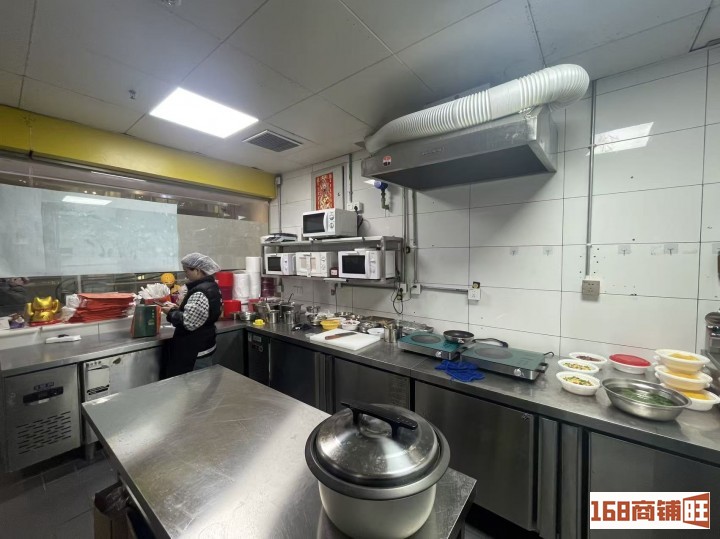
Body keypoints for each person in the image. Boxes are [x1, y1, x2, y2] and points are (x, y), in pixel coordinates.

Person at [161, 253, 222, 377]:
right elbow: (200, 314)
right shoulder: (212, 286)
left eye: (187, 271)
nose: (186, 274)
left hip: (195, 351)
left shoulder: (200, 292)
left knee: (195, 385)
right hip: (205, 344)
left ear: (197, 270)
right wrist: (178, 309)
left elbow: (188, 323)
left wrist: (171, 313)